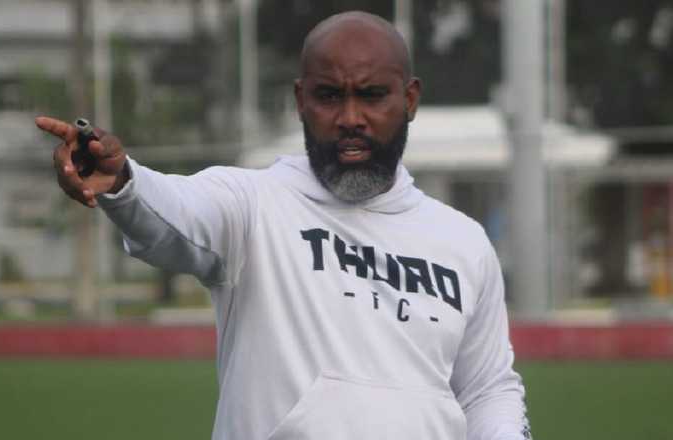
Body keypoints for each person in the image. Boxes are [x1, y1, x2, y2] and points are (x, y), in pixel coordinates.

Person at [36, 11, 531, 440]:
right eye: (329, 96)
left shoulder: (463, 242)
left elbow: (487, 388)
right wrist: (124, 181)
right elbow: (174, 211)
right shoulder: (253, 205)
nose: (350, 118)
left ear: (410, 99)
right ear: (300, 100)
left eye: (373, 95)